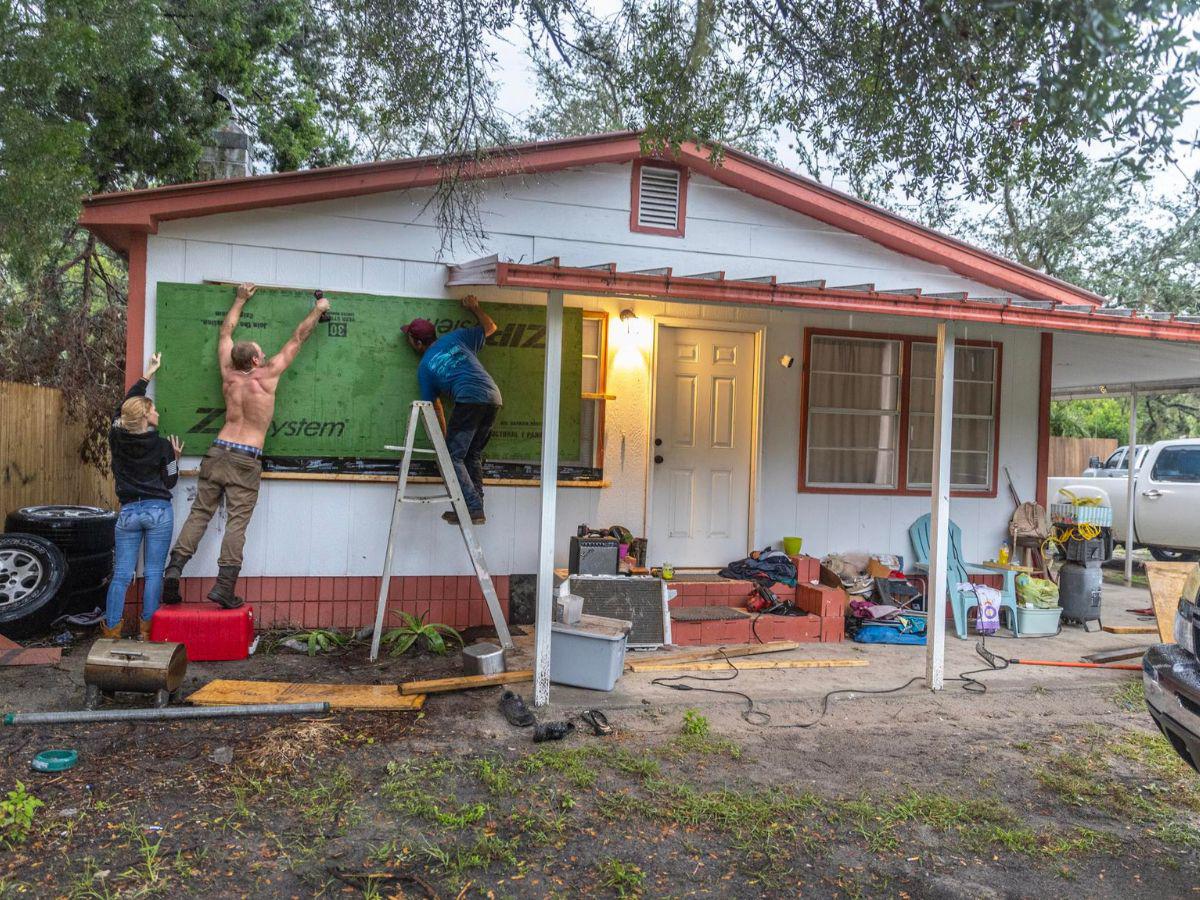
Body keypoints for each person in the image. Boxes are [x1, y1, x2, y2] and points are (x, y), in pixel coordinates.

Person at [161, 283, 330, 608]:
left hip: (218, 449)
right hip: (245, 459)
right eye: (261, 353)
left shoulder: (228, 373)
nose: (265, 354)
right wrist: (318, 310)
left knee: (200, 514)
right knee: (237, 521)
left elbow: (225, 334)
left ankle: (174, 570)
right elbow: (298, 338)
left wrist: (239, 298)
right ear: (254, 359)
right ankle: (224, 587)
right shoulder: (266, 377)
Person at [103, 352, 183, 640]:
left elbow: (120, 409)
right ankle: (148, 631)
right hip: (158, 511)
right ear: (147, 416)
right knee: (152, 573)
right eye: (154, 410)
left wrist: (146, 375)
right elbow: (171, 481)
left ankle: (112, 630)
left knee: (122, 574)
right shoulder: (162, 446)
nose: (158, 413)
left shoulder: (117, 437)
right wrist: (175, 458)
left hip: (128, 512)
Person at [402, 295, 502, 525]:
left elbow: (433, 406)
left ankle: (473, 506)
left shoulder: (425, 367)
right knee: (471, 454)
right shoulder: (456, 338)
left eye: (409, 338)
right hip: (493, 397)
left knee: (453, 456)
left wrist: (445, 438)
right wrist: (475, 308)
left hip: (470, 399)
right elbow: (491, 327)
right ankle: (476, 510)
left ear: (417, 342)